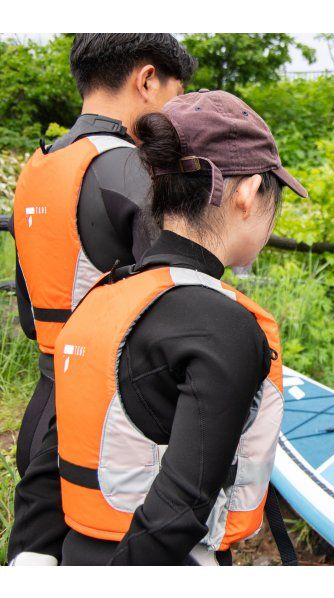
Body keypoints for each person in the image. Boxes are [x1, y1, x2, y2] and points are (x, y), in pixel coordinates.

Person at [50, 89, 308, 565]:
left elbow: (54, 455)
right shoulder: (222, 324)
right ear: (249, 193)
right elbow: (181, 508)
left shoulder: (102, 298)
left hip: (75, 551)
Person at [8, 33, 195, 565]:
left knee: (33, 558)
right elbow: (177, 313)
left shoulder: (41, 167)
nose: (176, 114)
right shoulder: (133, 171)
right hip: (109, 427)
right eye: (176, 96)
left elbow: (30, 312)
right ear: (146, 79)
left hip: (45, 405)